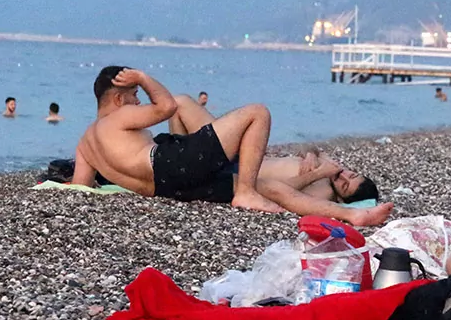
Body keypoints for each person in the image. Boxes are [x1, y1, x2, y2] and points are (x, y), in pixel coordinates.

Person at [72, 66, 281, 213]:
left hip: (164, 189)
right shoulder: (119, 116)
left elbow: (80, 187)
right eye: (134, 94)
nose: (137, 101)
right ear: (118, 98)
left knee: (267, 187)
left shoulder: (84, 144)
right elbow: (167, 106)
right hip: (171, 164)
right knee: (258, 113)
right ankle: (246, 193)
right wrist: (143, 78)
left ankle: (310, 207)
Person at [164, 94, 393, 226]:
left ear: (342, 199)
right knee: (177, 108)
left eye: (344, 184)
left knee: (181, 105)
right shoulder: (332, 167)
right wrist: (312, 154)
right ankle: (182, 152)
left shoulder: (323, 190)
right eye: (350, 174)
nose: (342, 176)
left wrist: (318, 174)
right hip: (240, 154)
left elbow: (280, 191)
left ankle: (179, 160)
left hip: (233, 169)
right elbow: (307, 145)